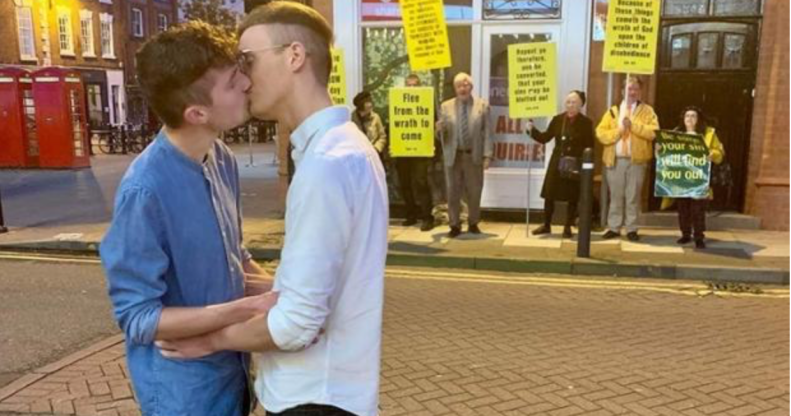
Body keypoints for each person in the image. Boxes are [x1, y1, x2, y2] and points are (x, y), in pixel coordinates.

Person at [156, 3, 389, 416]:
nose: (242, 79)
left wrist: (211, 340)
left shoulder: (327, 164)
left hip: (313, 399)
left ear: (295, 56)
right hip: (332, 393)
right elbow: (315, 291)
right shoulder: (344, 147)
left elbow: (298, 323)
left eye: (247, 60)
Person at [100, 21, 277, 416]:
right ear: (197, 112)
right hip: (182, 394)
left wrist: (287, 288)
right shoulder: (144, 191)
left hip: (231, 374)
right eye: (233, 82)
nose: (247, 85)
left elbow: (233, 255)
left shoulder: (221, 158)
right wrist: (246, 309)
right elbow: (139, 317)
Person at [596, 76, 659, 242]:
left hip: (636, 161)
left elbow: (653, 133)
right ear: (623, 91)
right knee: (616, 196)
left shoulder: (647, 111)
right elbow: (601, 134)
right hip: (615, 160)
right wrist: (619, 130)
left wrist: (633, 126)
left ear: (640, 91)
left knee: (633, 196)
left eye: (635, 89)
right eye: (629, 89)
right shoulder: (613, 111)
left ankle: (632, 228)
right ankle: (614, 227)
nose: (632, 92)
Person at [527, 90, 595, 238]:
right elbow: (545, 137)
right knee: (549, 194)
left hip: (574, 164)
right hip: (557, 161)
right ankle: (546, 224)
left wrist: (584, 166)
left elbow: (590, 146)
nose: (570, 105)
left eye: (574, 102)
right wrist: (531, 131)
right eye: (568, 102)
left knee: (572, 196)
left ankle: (567, 227)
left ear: (581, 105)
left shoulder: (586, 123)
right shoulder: (558, 120)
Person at [437, 72, 493, 238]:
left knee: (474, 191)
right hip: (452, 156)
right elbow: (442, 138)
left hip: (472, 155)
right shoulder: (445, 106)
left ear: (471, 87)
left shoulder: (482, 106)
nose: (463, 88)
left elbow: (488, 133)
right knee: (452, 191)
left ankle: (473, 222)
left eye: (466, 85)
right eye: (459, 85)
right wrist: (438, 130)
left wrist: (488, 155)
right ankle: (454, 225)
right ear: (455, 88)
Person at [666, 106, 725, 249]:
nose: (690, 119)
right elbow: (666, 152)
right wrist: (660, 150)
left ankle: (699, 236)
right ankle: (685, 234)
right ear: (683, 119)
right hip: (681, 177)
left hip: (699, 177)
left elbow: (720, 152)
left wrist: (713, 154)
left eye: (693, 116)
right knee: (683, 208)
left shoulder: (708, 134)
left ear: (698, 120)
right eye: (687, 116)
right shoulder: (675, 134)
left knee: (698, 209)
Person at [394, 73, 435, 231]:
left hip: (421, 150)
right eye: (409, 85)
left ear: (419, 86)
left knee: (421, 182)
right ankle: (411, 214)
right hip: (402, 149)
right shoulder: (398, 102)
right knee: (405, 184)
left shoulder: (427, 102)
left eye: (414, 85)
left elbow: (432, 124)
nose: (411, 88)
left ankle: (427, 217)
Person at [351, 91, 387, 158]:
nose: (371, 105)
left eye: (370, 102)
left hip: (373, 156)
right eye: (367, 102)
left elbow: (382, 137)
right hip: (357, 157)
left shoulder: (376, 117)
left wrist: (376, 149)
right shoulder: (351, 120)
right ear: (361, 105)